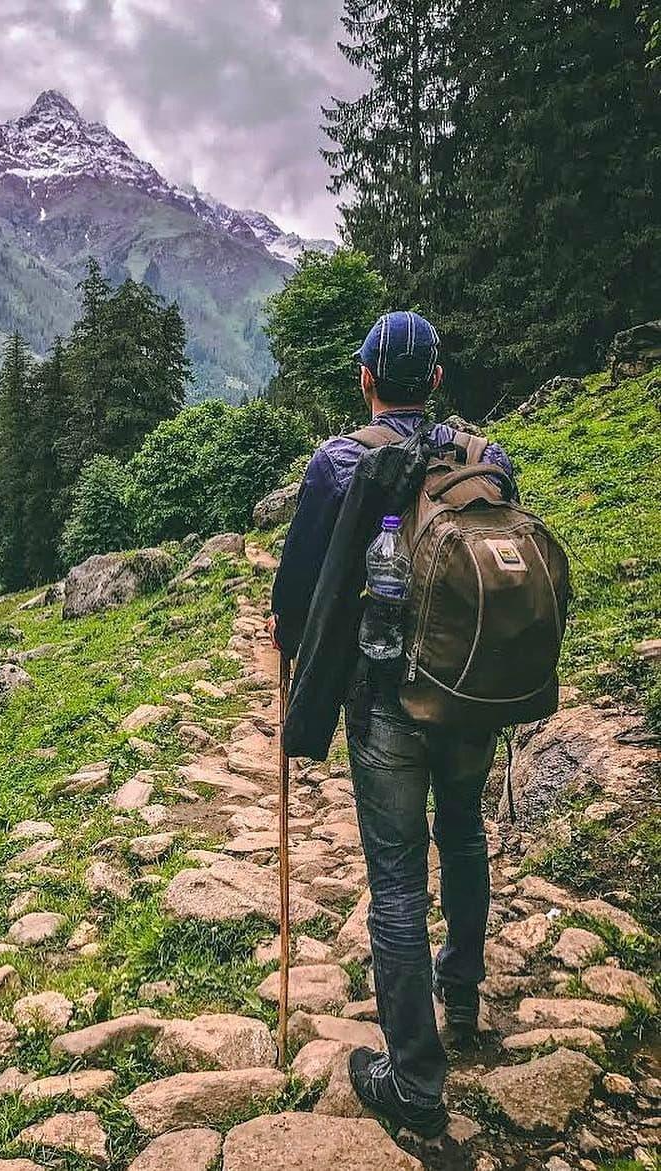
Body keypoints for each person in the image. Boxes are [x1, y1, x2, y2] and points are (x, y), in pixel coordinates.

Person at [268, 311, 515, 1139]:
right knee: (467, 835)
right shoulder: (486, 457)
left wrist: (290, 640)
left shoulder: (340, 462)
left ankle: (413, 1079)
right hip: (471, 688)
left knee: (399, 883)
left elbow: (296, 591)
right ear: (436, 380)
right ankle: (466, 995)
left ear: (368, 378)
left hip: (386, 700)